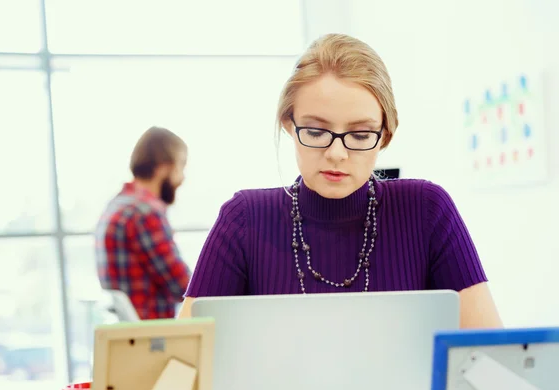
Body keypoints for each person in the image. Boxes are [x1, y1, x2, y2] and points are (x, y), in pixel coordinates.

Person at [179, 34, 502, 329]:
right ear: (289, 125)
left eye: (360, 135)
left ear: (384, 135)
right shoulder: (244, 219)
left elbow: (489, 359)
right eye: (316, 132)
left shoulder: (427, 210)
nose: (336, 153)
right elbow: (182, 369)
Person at [96, 126, 190, 319]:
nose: (182, 178)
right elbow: (185, 287)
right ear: (164, 166)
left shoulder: (116, 205)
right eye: (181, 166)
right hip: (153, 339)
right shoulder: (145, 214)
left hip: (129, 335)